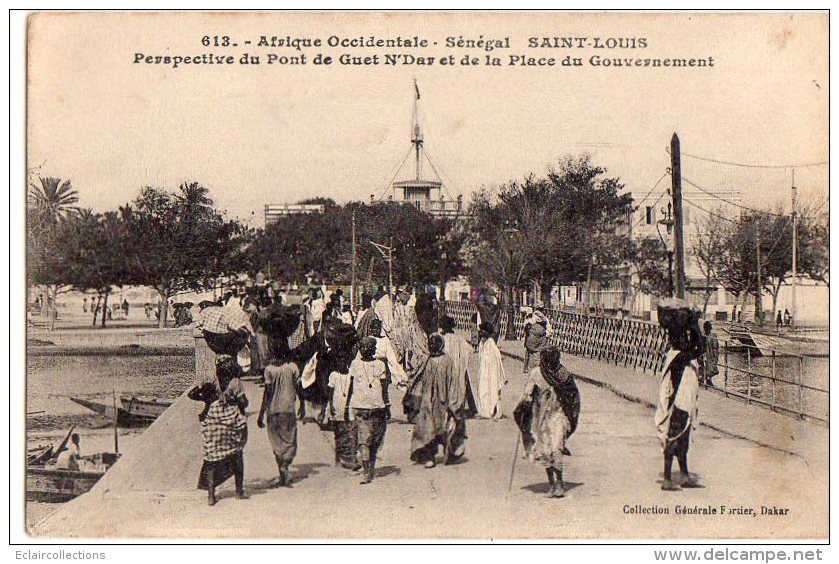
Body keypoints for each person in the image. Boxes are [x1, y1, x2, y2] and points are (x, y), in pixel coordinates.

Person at [514, 346, 581, 498]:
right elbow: (573, 397)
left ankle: (556, 484)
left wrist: (522, 410)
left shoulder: (548, 373)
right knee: (550, 450)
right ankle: (555, 485)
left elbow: (527, 394)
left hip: (553, 417)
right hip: (551, 417)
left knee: (552, 450)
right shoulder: (556, 373)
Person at [654, 299, 704, 492]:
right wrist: (695, 327)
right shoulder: (680, 356)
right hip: (679, 401)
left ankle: (683, 474)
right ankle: (668, 478)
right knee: (676, 431)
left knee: (683, 433)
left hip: (683, 399)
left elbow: (697, 348)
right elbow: (700, 348)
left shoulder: (678, 354)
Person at [188, 356, 249, 505]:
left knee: (211, 460)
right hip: (231, 421)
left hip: (212, 421)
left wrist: (202, 391)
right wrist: (235, 401)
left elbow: (192, 394)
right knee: (237, 455)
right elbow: (244, 403)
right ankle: (239, 492)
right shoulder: (235, 383)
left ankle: (211, 495)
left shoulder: (212, 384)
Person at [405, 334, 466, 467]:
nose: (432, 346)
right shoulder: (426, 361)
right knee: (427, 430)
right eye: (430, 344)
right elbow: (417, 380)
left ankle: (449, 453)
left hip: (444, 403)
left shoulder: (447, 361)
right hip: (427, 403)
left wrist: (453, 403)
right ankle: (429, 456)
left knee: (445, 429)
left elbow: (453, 383)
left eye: (435, 344)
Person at [349, 337, 389, 484]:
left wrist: (387, 404)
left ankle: (369, 467)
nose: (365, 350)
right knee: (365, 440)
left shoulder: (380, 364)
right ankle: (367, 472)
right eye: (363, 347)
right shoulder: (355, 364)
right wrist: (348, 404)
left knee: (375, 439)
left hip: (377, 406)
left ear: (373, 349)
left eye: (368, 347)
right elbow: (351, 384)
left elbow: (384, 387)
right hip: (361, 407)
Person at [257, 352, 300, 487]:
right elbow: (299, 387)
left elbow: (267, 393)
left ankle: (282, 473)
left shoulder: (269, 370)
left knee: (276, 443)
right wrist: (303, 404)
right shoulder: (293, 367)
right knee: (290, 440)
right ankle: (285, 467)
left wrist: (261, 413)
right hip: (288, 409)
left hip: (273, 410)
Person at [440, 315, 478, 418]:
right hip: (459, 366)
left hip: (446, 367)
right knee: (463, 386)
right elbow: (470, 350)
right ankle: (466, 408)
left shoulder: (442, 338)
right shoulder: (459, 338)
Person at [327, 352, 360, 470]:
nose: (342, 364)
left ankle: (350, 459)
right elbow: (330, 393)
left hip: (349, 407)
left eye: (344, 362)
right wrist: (330, 406)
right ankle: (339, 457)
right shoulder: (334, 375)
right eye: (340, 362)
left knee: (350, 433)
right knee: (339, 433)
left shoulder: (351, 374)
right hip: (337, 407)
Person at [475, 321, 506, 419]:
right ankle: (484, 410)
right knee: (483, 390)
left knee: (489, 391)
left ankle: (488, 412)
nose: (480, 332)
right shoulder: (483, 343)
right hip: (484, 372)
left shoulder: (491, 345)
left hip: (490, 373)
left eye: (482, 330)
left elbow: (495, 362)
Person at [699, 321, 719, 388]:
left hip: (710, 354)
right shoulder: (704, 336)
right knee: (707, 367)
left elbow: (715, 347)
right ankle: (706, 380)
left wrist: (715, 356)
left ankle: (707, 380)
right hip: (706, 354)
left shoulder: (712, 336)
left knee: (711, 368)